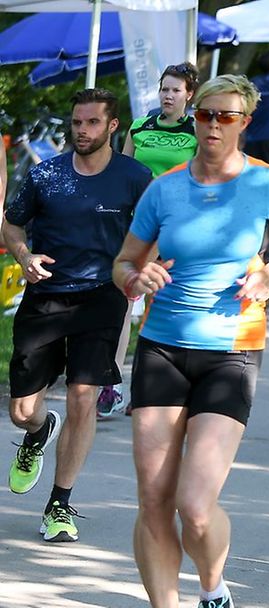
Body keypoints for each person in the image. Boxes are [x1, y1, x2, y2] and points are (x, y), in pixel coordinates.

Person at [114, 74, 269, 608]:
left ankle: (212, 588)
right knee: (154, 499)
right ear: (194, 118)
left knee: (195, 505)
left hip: (232, 349)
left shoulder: (268, 183)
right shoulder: (166, 187)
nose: (213, 125)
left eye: (226, 117)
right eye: (205, 115)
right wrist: (137, 278)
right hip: (161, 346)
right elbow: (125, 261)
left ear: (245, 123)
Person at [4, 88, 152, 542]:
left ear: (112, 126)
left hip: (102, 297)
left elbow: (153, 229)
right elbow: (10, 223)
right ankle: (39, 430)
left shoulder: (135, 176)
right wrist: (25, 256)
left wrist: (139, 270)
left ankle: (59, 504)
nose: (82, 131)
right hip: (47, 294)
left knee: (83, 395)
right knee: (21, 410)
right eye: (76, 123)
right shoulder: (45, 174)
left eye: (91, 123)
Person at [98, 62, 199, 420]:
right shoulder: (140, 126)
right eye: (164, 89)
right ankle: (112, 384)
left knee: (164, 307)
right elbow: (120, 171)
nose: (168, 95)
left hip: (176, 228)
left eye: (175, 90)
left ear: (189, 94)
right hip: (136, 225)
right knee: (124, 302)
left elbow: (202, 179)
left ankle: (153, 386)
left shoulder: (196, 129)